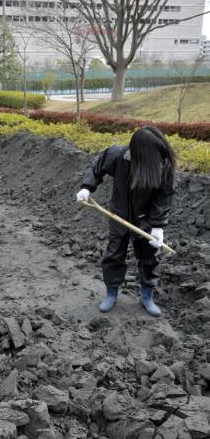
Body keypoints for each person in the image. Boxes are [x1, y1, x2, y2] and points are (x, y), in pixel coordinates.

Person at [76, 126, 176, 317]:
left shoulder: (163, 165)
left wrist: (157, 227)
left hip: (145, 218)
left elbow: (164, 198)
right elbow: (97, 167)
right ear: (140, 153)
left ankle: (147, 297)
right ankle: (111, 293)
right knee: (114, 253)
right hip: (119, 213)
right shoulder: (119, 156)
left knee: (149, 256)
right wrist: (87, 188)